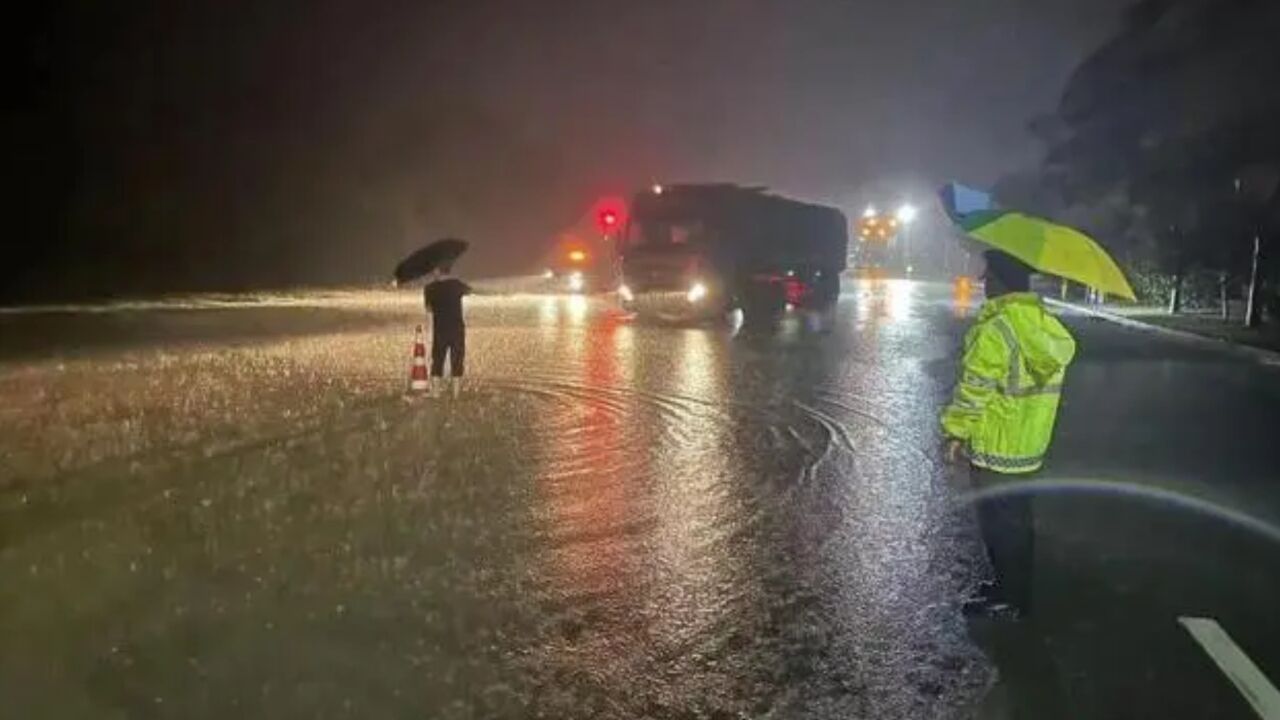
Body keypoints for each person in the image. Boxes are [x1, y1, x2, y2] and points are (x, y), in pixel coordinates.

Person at [941, 250, 1077, 620]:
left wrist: (955, 432)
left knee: (999, 525)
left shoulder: (997, 329)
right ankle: (1012, 588)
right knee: (1018, 521)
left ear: (1002, 281)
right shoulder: (1041, 325)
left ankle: (1010, 598)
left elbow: (974, 389)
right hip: (1029, 444)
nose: (983, 281)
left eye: (988, 275)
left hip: (997, 445)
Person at [422, 263, 472, 395]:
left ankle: (436, 394)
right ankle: (456, 394)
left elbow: (428, 309)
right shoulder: (456, 284)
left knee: (437, 360)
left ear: (437, 271)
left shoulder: (429, 288)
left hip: (440, 330)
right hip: (457, 329)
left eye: (434, 269)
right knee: (457, 360)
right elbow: (469, 290)